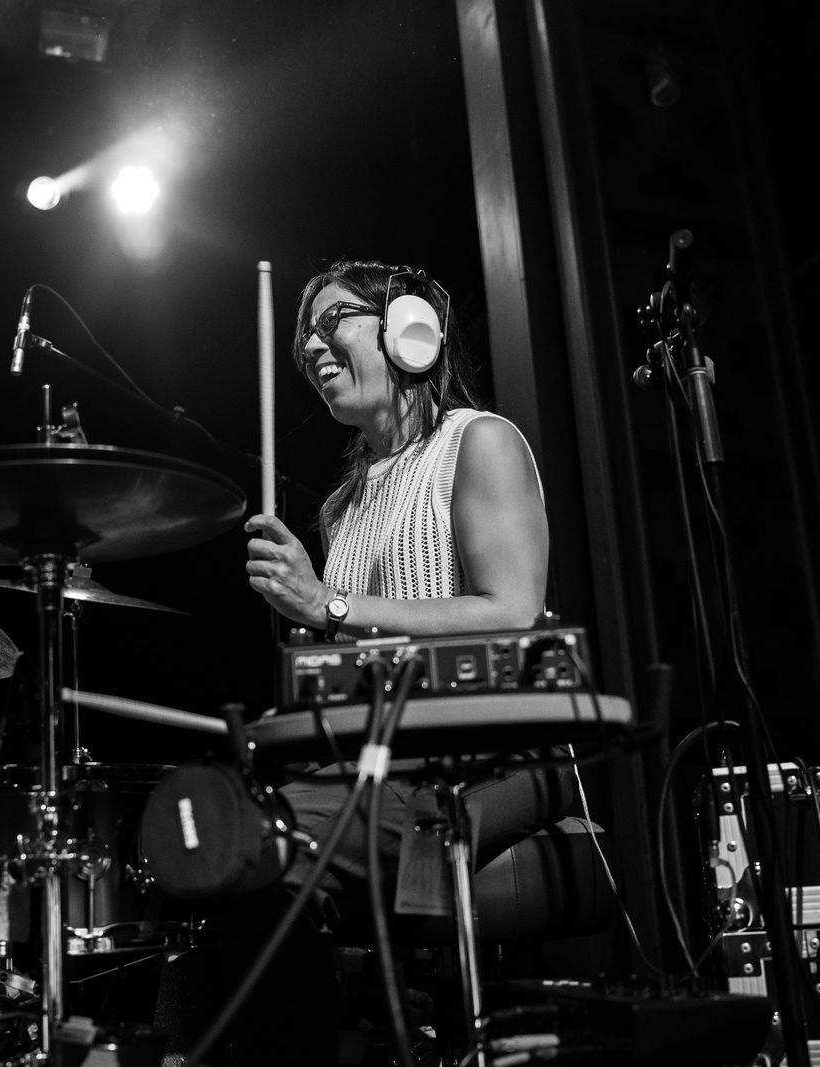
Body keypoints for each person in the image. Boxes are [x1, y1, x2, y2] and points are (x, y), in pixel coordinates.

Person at [222, 259, 576, 1064]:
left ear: (407, 328)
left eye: (332, 321)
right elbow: (345, 652)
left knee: (269, 853)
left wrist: (330, 605)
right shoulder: (341, 506)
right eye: (302, 338)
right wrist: (309, 638)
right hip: (381, 760)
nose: (311, 348)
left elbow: (513, 614)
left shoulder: (479, 440)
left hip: (494, 756)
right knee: (222, 831)